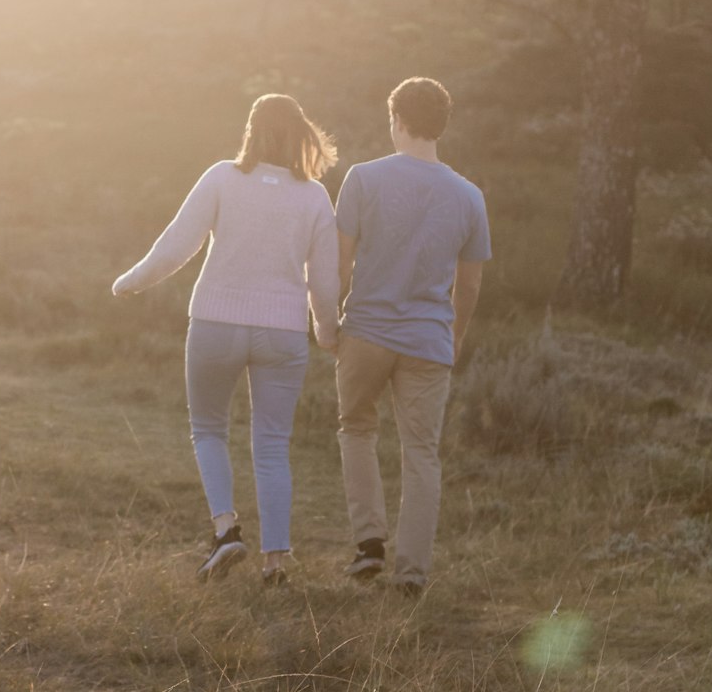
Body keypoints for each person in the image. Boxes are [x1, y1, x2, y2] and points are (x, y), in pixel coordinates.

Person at [112, 94, 339, 585]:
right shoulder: (315, 196)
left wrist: (129, 281)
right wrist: (326, 328)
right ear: (301, 134)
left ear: (251, 131)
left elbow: (177, 245)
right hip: (282, 332)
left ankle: (225, 531)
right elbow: (324, 279)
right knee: (273, 444)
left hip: (216, 320)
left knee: (209, 429)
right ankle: (275, 564)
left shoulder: (222, 177)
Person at [334, 76, 491, 595]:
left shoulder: (362, 178)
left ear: (397, 120)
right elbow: (469, 285)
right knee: (421, 453)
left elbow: (342, 258)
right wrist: (455, 336)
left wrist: (329, 316)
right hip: (429, 340)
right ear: (441, 125)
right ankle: (412, 574)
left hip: (366, 332)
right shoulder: (469, 195)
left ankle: (369, 543)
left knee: (357, 428)